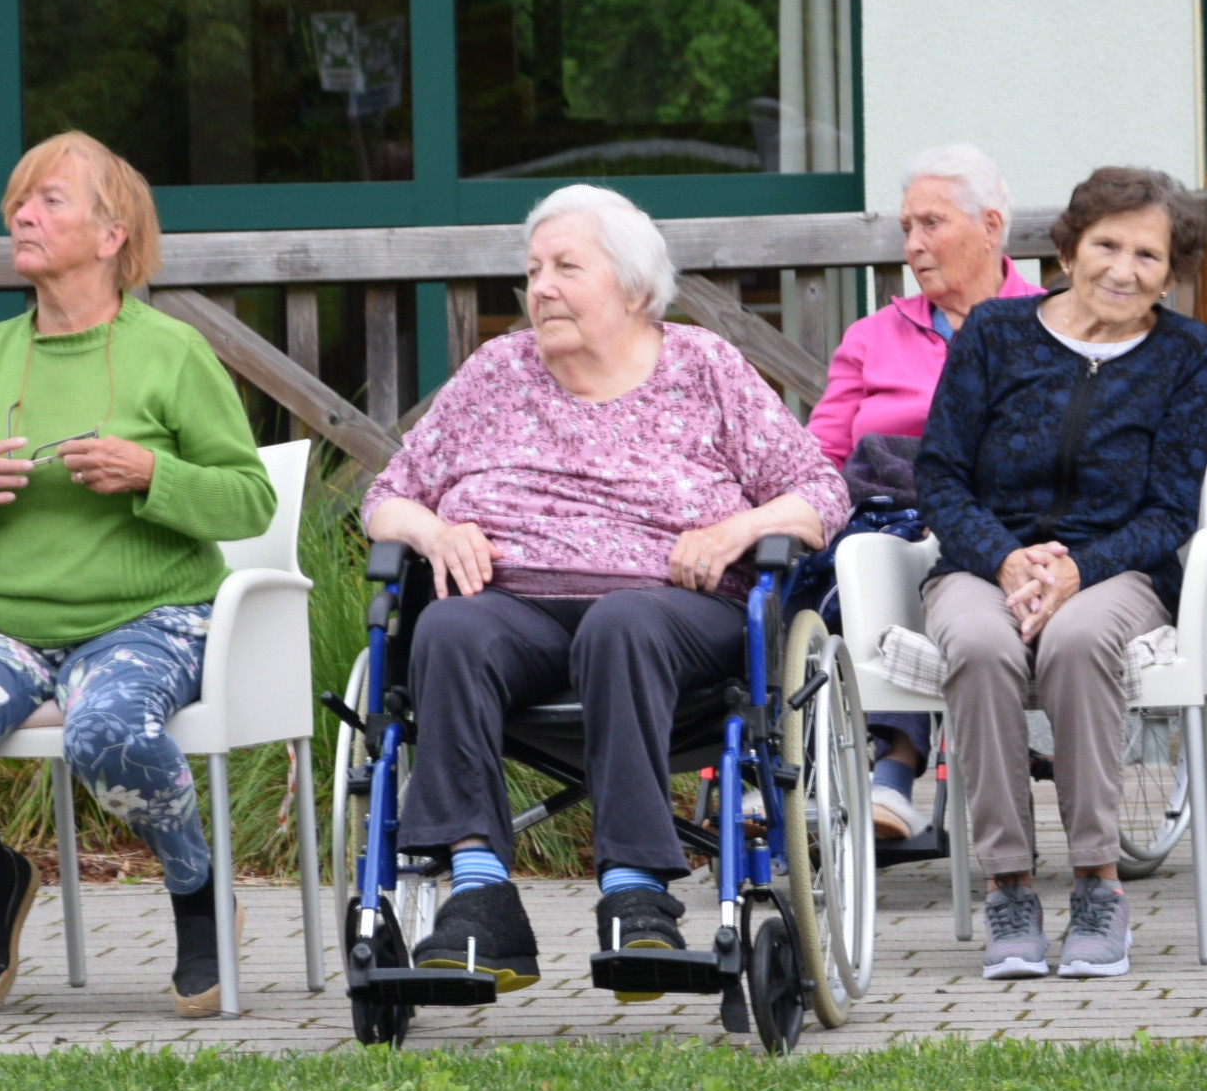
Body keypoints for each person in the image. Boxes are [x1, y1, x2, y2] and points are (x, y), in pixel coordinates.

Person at [361, 185, 848, 994]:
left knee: (619, 625)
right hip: (517, 610)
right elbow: (389, 494)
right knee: (446, 630)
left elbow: (818, 491)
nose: (540, 287)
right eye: (532, 270)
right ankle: (480, 898)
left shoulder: (704, 366)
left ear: (631, 286)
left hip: (672, 613)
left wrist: (732, 533)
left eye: (565, 267)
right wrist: (435, 533)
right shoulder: (497, 371)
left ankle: (638, 897)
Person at [0, 132, 275, 1018]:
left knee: (110, 736)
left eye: (50, 200)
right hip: (3, 621)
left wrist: (152, 476)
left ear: (112, 235)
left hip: (145, 617)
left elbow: (249, 500)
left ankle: (197, 889)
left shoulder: (172, 351)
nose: (21, 213)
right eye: (19, 200)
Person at [915, 166, 1207, 982]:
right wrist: (1009, 558)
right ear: (1067, 249)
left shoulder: (1189, 355)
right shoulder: (993, 333)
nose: (1125, 270)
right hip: (985, 562)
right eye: (1108, 246)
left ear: (1171, 271)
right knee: (980, 648)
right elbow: (939, 475)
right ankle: (1009, 887)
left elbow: (1168, 512)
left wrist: (1076, 570)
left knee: (1078, 643)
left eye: (1149, 257)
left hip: (1118, 570)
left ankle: (1097, 885)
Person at [807, 142, 1046, 839]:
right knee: (840, 565)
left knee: (919, 555)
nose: (913, 244)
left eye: (932, 224)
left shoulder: (1050, 323)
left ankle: (892, 767)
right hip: (885, 510)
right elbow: (821, 453)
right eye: (907, 227)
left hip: (1001, 524)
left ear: (992, 227)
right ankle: (822, 772)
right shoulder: (873, 336)